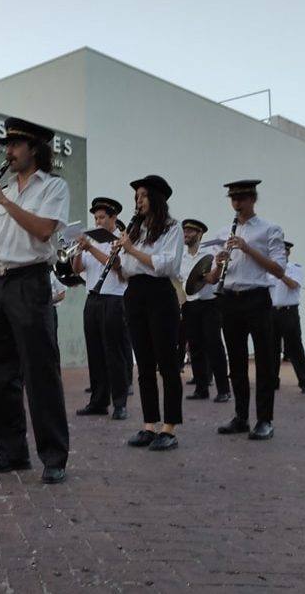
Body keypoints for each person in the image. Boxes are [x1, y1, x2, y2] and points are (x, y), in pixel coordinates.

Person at [0, 117, 70, 484]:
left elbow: (44, 230)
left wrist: (2, 200)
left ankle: (54, 456)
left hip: (30, 283)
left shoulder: (54, 187)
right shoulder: (3, 191)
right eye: (7, 145)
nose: (8, 152)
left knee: (40, 373)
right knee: (0, 374)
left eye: (15, 145)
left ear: (35, 149)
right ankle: (10, 453)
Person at [208, 180, 286, 441]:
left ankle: (265, 419)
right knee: (237, 361)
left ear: (253, 199)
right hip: (230, 298)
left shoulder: (269, 229)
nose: (237, 203)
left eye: (241, 198)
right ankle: (241, 417)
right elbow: (211, 277)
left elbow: (278, 269)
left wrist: (247, 247)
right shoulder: (223, 232)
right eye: (233, 198)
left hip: (257, 298)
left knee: (264, 361)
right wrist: (218, 264)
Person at [113, 176, 184, 451]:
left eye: (143, 196)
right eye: (136, 197)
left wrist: (131, 250)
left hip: (159, 294)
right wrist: (119, 260)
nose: (138, 201)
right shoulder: (135, 229)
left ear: (155, 198)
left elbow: (167, 265)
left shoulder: (172, 228)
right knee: (142, 364)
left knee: (167, 363)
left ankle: (169, 427)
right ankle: (149, 425)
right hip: (135, 293)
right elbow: (128, 270)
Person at [73, 196, 133, 420]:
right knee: (95, 352)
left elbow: (118, 266)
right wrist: (79, 251)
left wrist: (90, 247)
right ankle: (98, 401)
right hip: (93, 299)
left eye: (102, 217)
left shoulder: (122, 240)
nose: (97, 222)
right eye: (96, 217)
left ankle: (120, 403)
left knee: (113, 353)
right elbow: (79, 269)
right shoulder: (93, 241)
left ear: (113, 218)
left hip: (114, 299)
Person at [178, 218, 231, 403]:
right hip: (190, 305)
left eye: (190, 231)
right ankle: (201, 388)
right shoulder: (182, 257)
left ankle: (224, 389)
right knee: (195, 347)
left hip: (209, 304)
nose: (186, 234)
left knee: (214, 346)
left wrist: (215, 268)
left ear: (199, 234)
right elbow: (179, 281)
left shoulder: (210, 252)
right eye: (185, 231)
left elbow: (213, 279)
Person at [269, 241, 305, 394]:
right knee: (272, 349)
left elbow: (293, 285)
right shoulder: (268, 270)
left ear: (288, 253)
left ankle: (304, 381)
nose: (281, 254)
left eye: (284, 251)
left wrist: (280, 274)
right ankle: (272, 381)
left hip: (289, 311)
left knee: (295, 348)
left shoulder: (295, 268)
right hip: (272, 312)